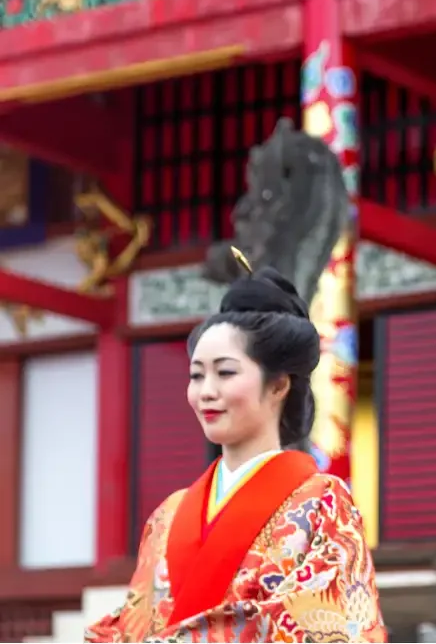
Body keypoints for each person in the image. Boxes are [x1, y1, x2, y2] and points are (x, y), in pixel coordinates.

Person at [86, 252, 386, 642]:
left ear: (278, 385)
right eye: (197, 375)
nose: (206, 392)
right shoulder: (167, 516)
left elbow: (331, 626)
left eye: (225, 373)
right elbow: (132, 624)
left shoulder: (323, 503)